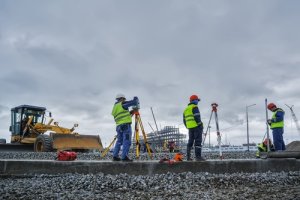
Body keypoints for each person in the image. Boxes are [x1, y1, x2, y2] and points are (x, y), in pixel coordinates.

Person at [111, 94, 139, 161]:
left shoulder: (115, 108)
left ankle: (115, 156)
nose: (124, 100)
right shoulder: (122, 104)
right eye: (124, 99)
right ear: (121, 98)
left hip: (119, 127)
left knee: (119, 141)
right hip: (126, 126)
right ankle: (124, 157)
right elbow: (134, 102)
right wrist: (136, 98)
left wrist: (131, 112)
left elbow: (123, 115)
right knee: (127, 141)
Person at [183, 94, 205, 161]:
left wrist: (187, 126)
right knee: (198, 141)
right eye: (197, 100)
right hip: (197, 127)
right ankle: (198, 157)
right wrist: (200, 125)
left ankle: (188, 158)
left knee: (190, 142)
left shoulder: (186, 109)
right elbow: (197, 116)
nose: (198, 102)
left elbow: (184, 120)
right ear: (194, 100)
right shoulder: (194, 107)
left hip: (190, 128)